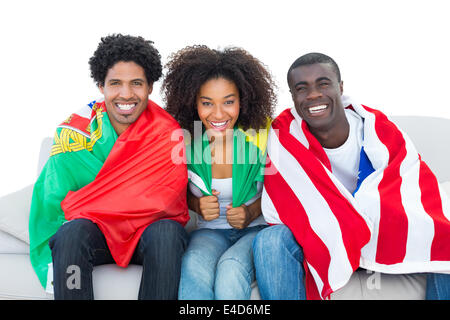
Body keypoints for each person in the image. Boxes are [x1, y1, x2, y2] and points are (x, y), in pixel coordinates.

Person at [253, 52, 450, 300]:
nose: (313, 94)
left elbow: (411, 183)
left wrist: (359, 214)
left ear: (340, 87)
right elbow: (282, 204)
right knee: (270, 240)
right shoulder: (284, 137)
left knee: (443, 235)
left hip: (384, 225)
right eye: (302, 88)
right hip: (324, 233)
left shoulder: (379, 129)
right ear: (293, 97)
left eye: (323, 83)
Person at [28, 34, 190, 300]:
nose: (126, 94)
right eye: (115, 83)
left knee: (166, 233)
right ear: (101, 86)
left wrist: (91, 204)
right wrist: (96, 210)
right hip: (96, 235)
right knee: (71, 233)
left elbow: (165, 201)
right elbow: (54, 199)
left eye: (136, 84)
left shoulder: (167, 132)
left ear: (150, 87)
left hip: (149, 235)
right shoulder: (75, 134)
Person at [162, 45, 276, 299]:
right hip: (209, 231)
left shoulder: (262, 137)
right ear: (193, 103)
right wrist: (198, 205)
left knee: (231, 269)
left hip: (255, 230)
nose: (218, 114)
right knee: (192, 266)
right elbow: (171, 196)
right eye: (207, 103)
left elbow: (280, 194)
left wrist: (250, 212)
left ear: (243, 100)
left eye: (228, 102)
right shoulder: (185, 142)